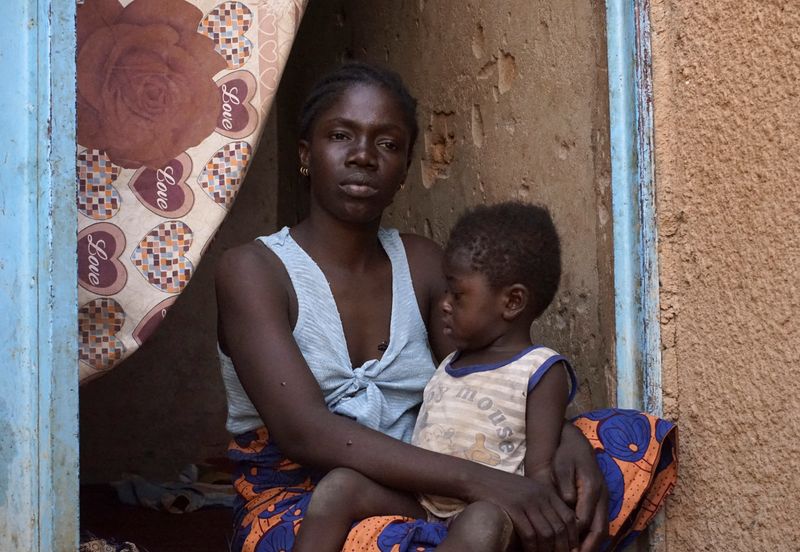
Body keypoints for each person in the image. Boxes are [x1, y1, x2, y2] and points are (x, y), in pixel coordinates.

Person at [215, 61, 677, 552]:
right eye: (341, 136)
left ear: (405, 169)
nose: (364, 156)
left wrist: (561, 440)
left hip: (430, 483)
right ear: (306, 154)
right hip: (305, 500)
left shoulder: (421, 263)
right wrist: (488, 483)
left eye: (388, 144)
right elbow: (304, 433)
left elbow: (488, 371)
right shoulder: (254, 270)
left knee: (619, 440)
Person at [293, 201, 581, 552]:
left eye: (457, 295)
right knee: (339, 486)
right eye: (445, 290)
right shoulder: (449, 363)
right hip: (425, 504)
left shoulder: (540, 370)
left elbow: (539, 476)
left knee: (482, 524)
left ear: (512, 302)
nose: (443, 303)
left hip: (490, 509)